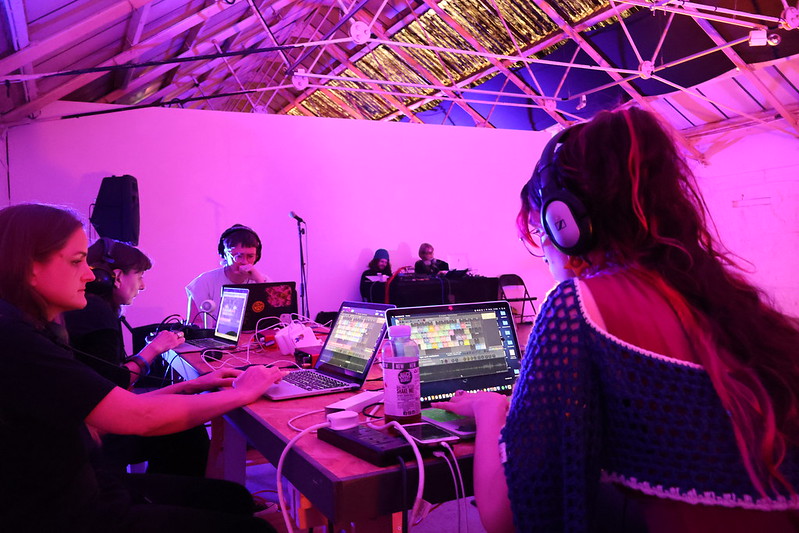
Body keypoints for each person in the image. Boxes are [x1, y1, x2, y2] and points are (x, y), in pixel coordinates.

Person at [433, 108, 799, 533]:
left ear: (564, 222)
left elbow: (505, 518)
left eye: (539, 228)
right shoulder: (738, 308)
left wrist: (490, 408)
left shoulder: (578, 306)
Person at [0, 203, 282, 532]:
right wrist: (245, 391)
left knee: (231, 497)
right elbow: (136, 417)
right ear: (29, 266)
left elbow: (105, 404)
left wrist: (187, 386)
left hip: (88, 484)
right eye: (77, 262)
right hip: (74, 511)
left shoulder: (30, 328)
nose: (91, 275)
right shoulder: (13, 339)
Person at [63, 238, 210, 477]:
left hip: (86, 424)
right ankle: (170, 502)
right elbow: (116, 384)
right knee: (188, 426)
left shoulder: (90, 307)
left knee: (180, 400)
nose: (141, 286)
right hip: (98, 434)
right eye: (140, 276)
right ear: (118, 276)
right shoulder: (95, 311)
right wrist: (153, 350)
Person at [186, 224, 270, 326]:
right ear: (225, 254)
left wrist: (259, 282)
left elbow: (271, 322)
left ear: (257, 256)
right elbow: (195, 324)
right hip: (217, 340)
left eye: (250, 256)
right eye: (239, 256)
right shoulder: (204, 282)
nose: (244, 262)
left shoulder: (263, 280)